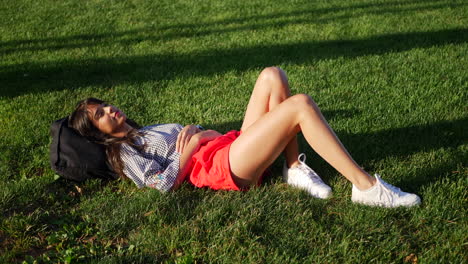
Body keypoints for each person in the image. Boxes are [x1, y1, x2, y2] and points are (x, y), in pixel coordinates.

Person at [69, 67, 421, 208]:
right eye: (100, 115)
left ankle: (293, 169)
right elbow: (160, 185)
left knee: (272, 76)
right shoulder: (124, 153)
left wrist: (202, 133)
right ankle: (365, 187)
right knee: (299, 106)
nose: (109, 110)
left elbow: (198, 138)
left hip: (225, 146)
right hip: (221, 167)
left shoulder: (144, 131)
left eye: (105, 105)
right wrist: (192, 145)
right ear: (97, 134)